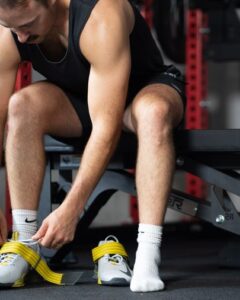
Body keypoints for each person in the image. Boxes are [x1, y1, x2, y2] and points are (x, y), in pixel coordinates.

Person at [0, 0, 185, 292]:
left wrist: (72, 208)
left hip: (144, 91)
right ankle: (24, 244)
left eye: (27, 25)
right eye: (12, 27)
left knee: (153, 112)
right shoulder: (9, 32)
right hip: (84, 99)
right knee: (21, 105)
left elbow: (106, 127)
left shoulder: (100, 15)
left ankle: (148, 254)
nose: (21, 37)